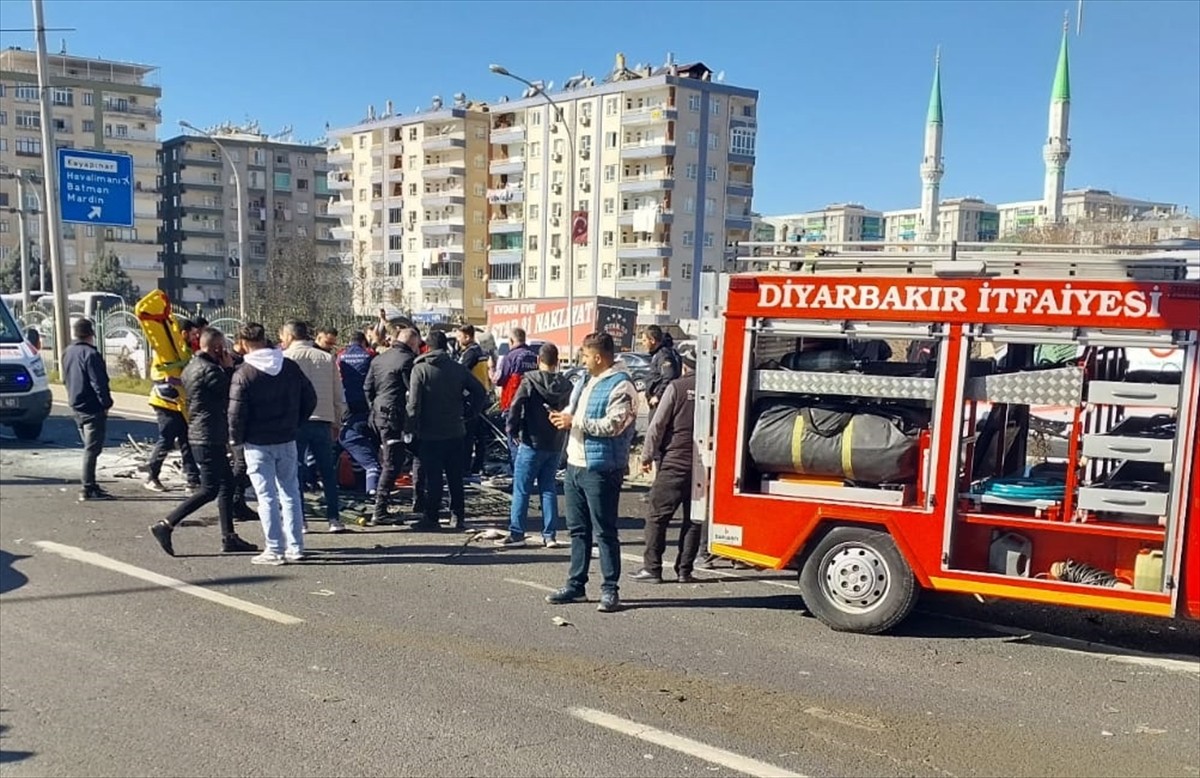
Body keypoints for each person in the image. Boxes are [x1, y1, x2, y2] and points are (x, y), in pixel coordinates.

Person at [546, 332, 639, 613]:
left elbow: (614, 425)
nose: (582, 361)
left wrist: (574, 421)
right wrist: (563, 417)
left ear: (598, 357)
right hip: (575, 464)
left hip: (601, 469)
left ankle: (610, 589)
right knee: (577, 530)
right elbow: (575, 412)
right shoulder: (587, 380)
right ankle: (576, 585)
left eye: (585, 356)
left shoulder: (621, 385)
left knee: (604, 531)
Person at [148, 328, 259, 556]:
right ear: (216, 348)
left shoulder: (192, 366)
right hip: (208, 436)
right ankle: (166, 524)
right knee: (209, 489)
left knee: (227, 484)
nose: (225, 351)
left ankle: (229, 537)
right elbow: (231, 391)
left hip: (204, 433)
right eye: (222, 347)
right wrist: (229, 368)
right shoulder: (211, 371)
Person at [229, 323, 317, 565]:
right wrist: (296, 422)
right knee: (290, 493)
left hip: (257, 442)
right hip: (286, 438)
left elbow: (235, 414)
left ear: (243, 343)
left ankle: (275, 549)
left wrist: (235, 440)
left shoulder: (243, 373)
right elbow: (310, 398)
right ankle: (296, 546)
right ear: (265, 338)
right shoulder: (289, 366)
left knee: (266, 496)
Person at [406, 330, 488, 532]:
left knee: (433, 477)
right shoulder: (458, 369)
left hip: (429, 432)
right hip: (455, 430)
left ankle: (431, 517)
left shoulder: (420, 369)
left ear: (427, 347)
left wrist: (409, 429)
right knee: (455, 476)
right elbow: (480, 391)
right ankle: (458, 516)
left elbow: (413, 405)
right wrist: (470, 413)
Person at [633, 350, 700, 583]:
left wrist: (646, 456)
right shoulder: (716, 390)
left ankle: (652, 568)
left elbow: (657, 425)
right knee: (694, 519)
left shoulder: (677, 387)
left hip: (675, 461)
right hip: (703, 467)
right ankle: (684, 570)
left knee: (657, 516)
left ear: (685, 367)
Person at [499, 343, 573, 549]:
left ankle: (517, 533)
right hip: (555, 442)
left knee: (522, 488)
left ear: (539, 360)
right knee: (548, 488)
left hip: (531, 441)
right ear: (557, 362)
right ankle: (550, 535)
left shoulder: (530, 380)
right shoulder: (567, 385)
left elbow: (516, 405)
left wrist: (512, 430)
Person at [281, 320, 348, 533]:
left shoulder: (284, 358)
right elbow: (338, 394)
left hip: (295, 421)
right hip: (323, 419)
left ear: (289, 336)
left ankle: (300, 519)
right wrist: (337, 421)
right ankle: (334, 519)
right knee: (328, 472)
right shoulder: (327, 358)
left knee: (296, 471)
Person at [365, 324, 421, 525]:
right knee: (394, 462)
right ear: (412, 343)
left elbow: (367, 388)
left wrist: (374, 407)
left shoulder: (379, 359)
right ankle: (380, 510)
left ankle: (390, 506)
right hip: (395, 417)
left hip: (379, 416)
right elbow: (413, 391)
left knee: (395, 459)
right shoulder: (408, 360)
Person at [143, 319, 201, 494]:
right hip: (165, 402)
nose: (196, 337)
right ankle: (152, 476)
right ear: (184, 333)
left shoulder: (185, 350)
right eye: (193, 334)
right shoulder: (167, 352)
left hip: (181, 403)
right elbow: (158, 374)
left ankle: (192, 479)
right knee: (166, 440)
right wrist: (173, 380)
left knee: (187, 439)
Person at [61, 317, 114, 502]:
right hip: (92, 407)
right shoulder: (91, 354)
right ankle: (88, 488)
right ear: (91, 334)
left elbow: (65, 378)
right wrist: (106, 403)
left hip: (76, 405)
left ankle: (90, 485)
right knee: (92, 449)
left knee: (89, 447)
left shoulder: (68, 352)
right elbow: (98, 382)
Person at [456, 324, 492, 479]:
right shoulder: (479, 351)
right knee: (480, 436)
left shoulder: (470, 354)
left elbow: (459, 374)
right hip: (483, 396)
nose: (458, 340)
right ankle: (478, 465)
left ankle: (465, 468)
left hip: (472, 398)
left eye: (459, 337)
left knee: (468, 435)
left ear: (467, 337)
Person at [641, 325, 680, 415]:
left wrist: (658, 396)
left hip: (660, 403)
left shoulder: (663, 355)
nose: (643, 344)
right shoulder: (658, 354)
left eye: (644, 340)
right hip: (657, 403)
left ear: (652, 340)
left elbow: (669, 377)